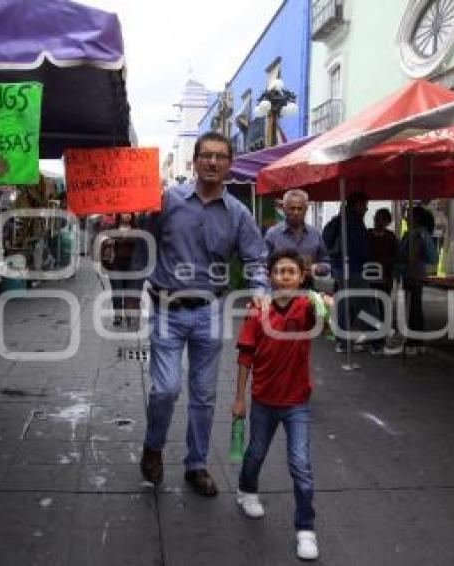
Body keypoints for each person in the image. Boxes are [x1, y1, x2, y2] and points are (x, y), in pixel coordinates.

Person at [139, 131, 268, 496]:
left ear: (230, 164)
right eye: (206, 155)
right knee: (165, 388)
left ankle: (196, 465)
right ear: (194, 161)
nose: (212, 162)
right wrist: (132, 291)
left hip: (210, 311)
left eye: (220, 156)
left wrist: (260, 291)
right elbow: (144, 244)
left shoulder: (239, 214)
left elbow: (256, 258)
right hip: (167, 308)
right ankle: (153, 445)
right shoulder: (166, 201)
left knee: (205, 394)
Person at [231, 249, 331, 561]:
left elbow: (324, 326)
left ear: (302, 277)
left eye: (291, 271)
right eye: (279, 271)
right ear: (270, 276)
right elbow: (245, 354)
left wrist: (327, 306)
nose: (285, 276)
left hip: (297, 401)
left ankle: (305, 529)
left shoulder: (307, 306)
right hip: (262, 398)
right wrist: (238, 399)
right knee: (255, 453)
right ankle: (246, 490)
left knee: (300, 464)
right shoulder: (257, 309)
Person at [321, 191, 375, 353]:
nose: (365, 209)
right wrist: (367, 257)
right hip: (352, 268)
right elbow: (360, 248)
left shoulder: (339, 220)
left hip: (340, 268)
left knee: (345, 303)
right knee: (365, 304)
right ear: (355, 205)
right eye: (363, 205)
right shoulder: (353, 222)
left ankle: (342, 341)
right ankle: (372, 339)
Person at [264, 189, 330, 289]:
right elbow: (262, 266)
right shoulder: (272, 235)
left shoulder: (315, 234)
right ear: (284, 209)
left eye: (300, 209)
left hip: (308, 291)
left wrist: (317, 269)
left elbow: (327, 263)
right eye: (292, 208)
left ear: (306, 209)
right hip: (279, 293)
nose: (296, 212)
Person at [395, 206, 438, 355]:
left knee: (414, 308)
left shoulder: (421, 234)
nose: (406, 218)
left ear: (417, 218)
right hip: (408, 274)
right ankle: (414, 339)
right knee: (412, 307)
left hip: (415, 274)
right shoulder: (410, 234)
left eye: (408, 216)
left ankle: (415, 340)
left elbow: (429, 257)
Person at [101, 213, 142, 326]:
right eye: (125, 212)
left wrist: (126, 236)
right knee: (117, 291)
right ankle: (118, 315)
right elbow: (105, 240)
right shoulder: (112, 228)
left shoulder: (136, 229)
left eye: (130, 213)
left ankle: (129, 316)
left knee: (130, 292)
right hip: (116, 264)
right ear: (119, 215)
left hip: (131, 266)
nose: (127, 215)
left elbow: (138, 241)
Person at [366, 207, 398, 348]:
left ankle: (383, 334)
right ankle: (372, 335)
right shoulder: (367, 234)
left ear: (387, 222)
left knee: (383, 306)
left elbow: (396, 256)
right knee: (369, 307)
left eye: (381, 219)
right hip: (368, 277)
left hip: (385, 277)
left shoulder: (390, 237)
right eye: (376, 218)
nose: (378, 221)